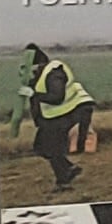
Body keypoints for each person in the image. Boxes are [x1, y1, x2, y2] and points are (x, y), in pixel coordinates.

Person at [19, 46, 94, 191]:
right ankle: (68, 169)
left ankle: (63, 181)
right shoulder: (42, 75)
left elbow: (56, 97)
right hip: (55, 115)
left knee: (51, 148)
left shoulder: (54, 73)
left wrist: (33, 94)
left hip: (68, 112)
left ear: (38, 64)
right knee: (42, 147)